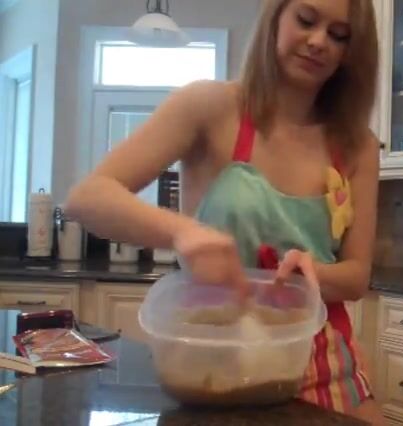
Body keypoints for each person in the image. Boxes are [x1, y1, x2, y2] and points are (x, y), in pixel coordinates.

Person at [66, 0, 383, 423]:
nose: (318, 41)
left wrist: (314, 273)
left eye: (338, 35)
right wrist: (183, 231)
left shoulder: (357, 144)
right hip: (213, 363)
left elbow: (357, 276)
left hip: (322, 366)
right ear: (275, 18)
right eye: (306, 20)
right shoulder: (209, 107)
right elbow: (87, 197)